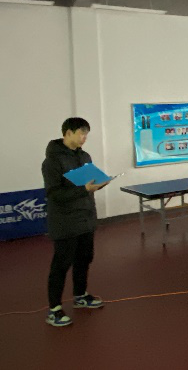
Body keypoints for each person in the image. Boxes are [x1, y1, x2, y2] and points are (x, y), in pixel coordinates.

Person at [41, 118, 108, 327]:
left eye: (86, 134)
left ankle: (80, 295)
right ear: (68, 133)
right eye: (81, 133)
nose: (84, 138)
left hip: (86, 217)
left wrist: (100, 183)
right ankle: (54, 310)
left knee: (84, 259)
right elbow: (54, 194)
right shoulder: (52, 161)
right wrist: (83, 189)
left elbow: (89, 184)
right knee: (61, 265)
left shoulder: (84, 156)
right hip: (65, 221)